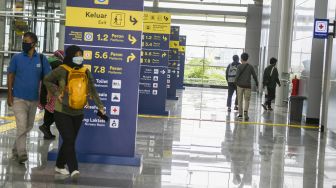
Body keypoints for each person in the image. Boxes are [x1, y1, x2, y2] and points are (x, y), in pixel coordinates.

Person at [44, 45, 106, 178]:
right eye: (76, 55)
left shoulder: (85, 71)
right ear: (70, 55)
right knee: (69, 139)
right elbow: (47, 79)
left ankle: (59, 165)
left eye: (81, 55)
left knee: (69, 141)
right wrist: (56, 92)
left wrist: (100, 106)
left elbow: (93, 89)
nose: (79, 58)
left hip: (78, 112)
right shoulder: (61, 69)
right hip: (62, 111)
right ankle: (74, 169)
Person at [7, 32, 51, 164]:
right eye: (23, 41)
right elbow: (10, 76)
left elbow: (47, 78)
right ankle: (22, 153)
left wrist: (49, 92)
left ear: (34, 44)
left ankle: (15, 149)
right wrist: (9, 94)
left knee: (28, 126)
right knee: (21, 126)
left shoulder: (42, 59)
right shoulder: (17, 58)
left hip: (34, 99)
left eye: (26, 41)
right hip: (18, 98)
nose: (24, 43)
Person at [38, 50, 64, 139]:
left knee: (48, 110)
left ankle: (46, 131)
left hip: (43, 87)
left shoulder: (50, 61)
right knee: (56, 110)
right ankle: (45, 126)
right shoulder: (58, 63)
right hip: (50, 89)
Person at [234, 53, 258, 121]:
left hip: (240, 86)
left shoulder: (239, 66)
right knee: (247, 100)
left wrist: (235, 82)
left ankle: (240, 115)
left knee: (240, 100)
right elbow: (254, 75)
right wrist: (257, 83)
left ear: (241, 58)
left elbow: (237, 76)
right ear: (247, 58)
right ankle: (245, 112)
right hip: (248, 86)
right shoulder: (250, 66)